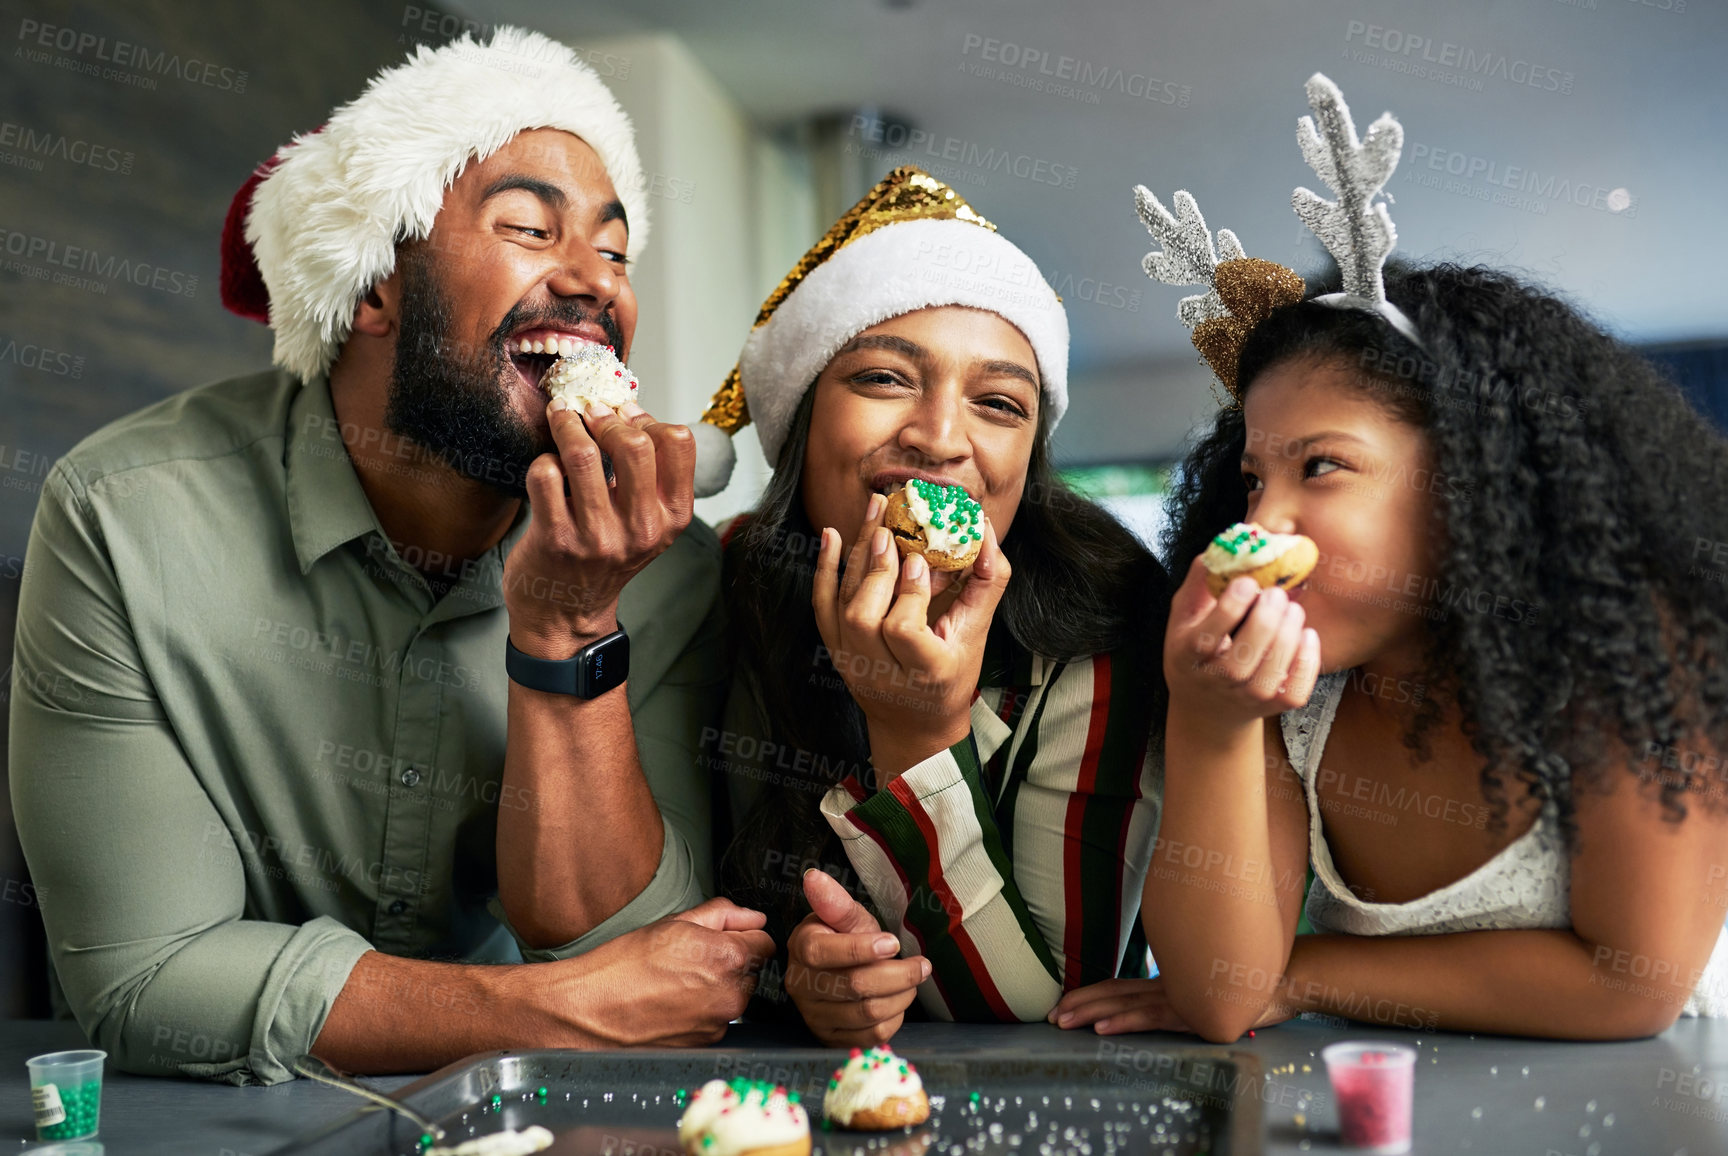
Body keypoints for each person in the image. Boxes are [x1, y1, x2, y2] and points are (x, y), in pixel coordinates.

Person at [9, 27, 770, 1085]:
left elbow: (644, 970)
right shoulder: (124, 522)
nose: (596, 283)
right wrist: (536, 1011)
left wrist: (571, 629)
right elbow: (149, 977)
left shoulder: (669, 571)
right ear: (374, 287)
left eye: (614, 249)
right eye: (527, 226)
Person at [1052, 75, 1728, 1041]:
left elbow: (1630, 986)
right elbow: (1224, 994)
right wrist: (1211, 722)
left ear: (1472, 480)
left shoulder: (1628, 657)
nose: (1263, 521)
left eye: (1321, 466)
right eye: (1251, 479)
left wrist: (1310, 970)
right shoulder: (1299, 698)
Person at [696, 167, 1170, 1046]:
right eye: (884, 379)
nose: (941, 438)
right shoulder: (723, 583)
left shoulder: (1109, 616)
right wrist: (795, 977)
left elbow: (1045, 1010)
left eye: (998, 404)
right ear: (804, 421)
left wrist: (918, 731)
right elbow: (665, 925)